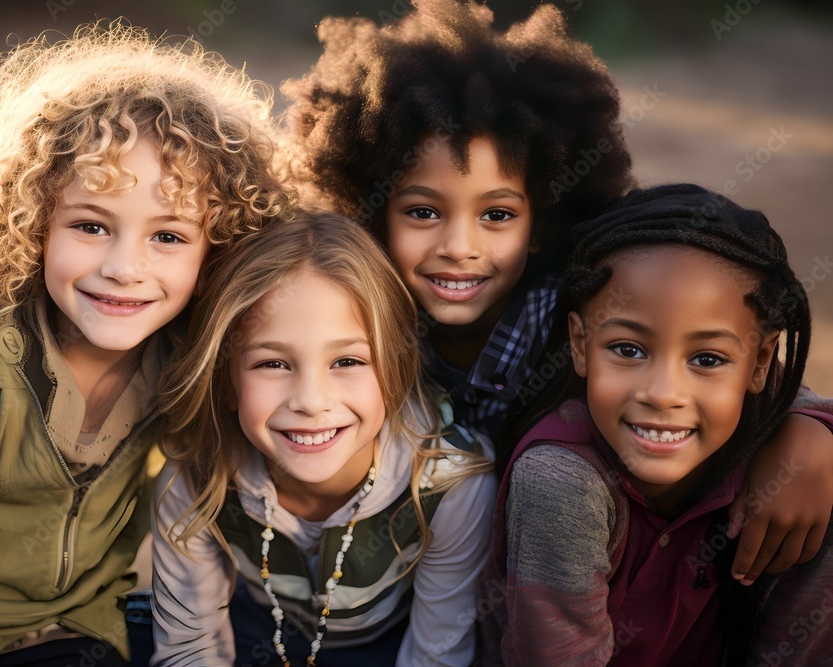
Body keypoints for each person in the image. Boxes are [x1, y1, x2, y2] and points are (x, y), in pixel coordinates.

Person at [279, 0, 833, 586]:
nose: (459, 246)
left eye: (496, 215)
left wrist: (809, 433)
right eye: (422, 211)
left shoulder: (580, 305)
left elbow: (725, 359)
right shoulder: (354, 315)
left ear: (542, 223)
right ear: (372, 213)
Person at [0, 22, 290, 666]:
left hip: (82, 639)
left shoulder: (190, 354)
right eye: (91, 225)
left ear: (219, 248)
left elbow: (323, 267)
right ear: (32, 222)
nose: (125, 268)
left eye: (169, 236)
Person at [479, 184, 833, 666]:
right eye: (628, 349)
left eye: (707, 358)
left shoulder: (776, 426)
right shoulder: (561, 483)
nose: (664, 393)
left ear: (761, 363)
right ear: (581, 345)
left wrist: (813, 432)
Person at [151, 211, 496, 667]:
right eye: (272, 364)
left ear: (396, 368)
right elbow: (190, 648)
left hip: (389, 650)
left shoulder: (449, 484)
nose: (311, 401)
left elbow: (437, 654)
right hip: (253, 637)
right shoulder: (195, 476)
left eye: (348, 361)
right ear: (226, 383)